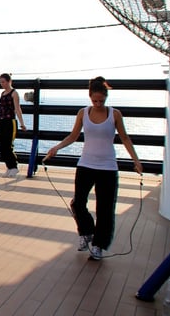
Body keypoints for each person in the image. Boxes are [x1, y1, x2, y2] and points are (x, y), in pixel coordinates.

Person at [45, 76, 143, 260]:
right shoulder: (83, 113)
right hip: (86, 164)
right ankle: (87, 232)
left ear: (106, 98)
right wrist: (57, 147)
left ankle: (99, 245)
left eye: (101, 101)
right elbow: (73, 136)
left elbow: (125, 138)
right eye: (95, 101)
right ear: (90, 97)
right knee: (78, 203)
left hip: (108, 167)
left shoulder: (115, 114)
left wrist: (136, 161)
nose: (98, 104)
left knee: (105, 209)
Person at [0, 73, 27, 177]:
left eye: (3, 82)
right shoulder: (2, 93)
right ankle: (9, 166)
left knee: (8, 145)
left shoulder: (14, 93)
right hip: (1, 121)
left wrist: (22, 123)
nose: (2, 84)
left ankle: (14, 167)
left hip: (10, 122)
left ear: (9, 81)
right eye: (0, 82)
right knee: (1, 146)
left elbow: (17, 109)